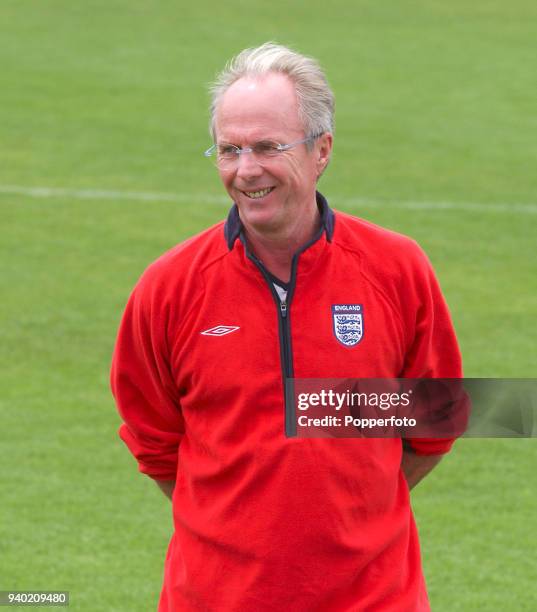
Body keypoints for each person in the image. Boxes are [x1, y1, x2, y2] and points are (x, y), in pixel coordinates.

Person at [111, 42, 463, 611]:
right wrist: (235, 529)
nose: (246, 170)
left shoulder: (397, 270)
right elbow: (154, 445)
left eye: (268, 147)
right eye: (230, 149)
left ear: (321, 150)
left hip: (374, 599)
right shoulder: (169, 287)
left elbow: (434, 424)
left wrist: (353, 517)